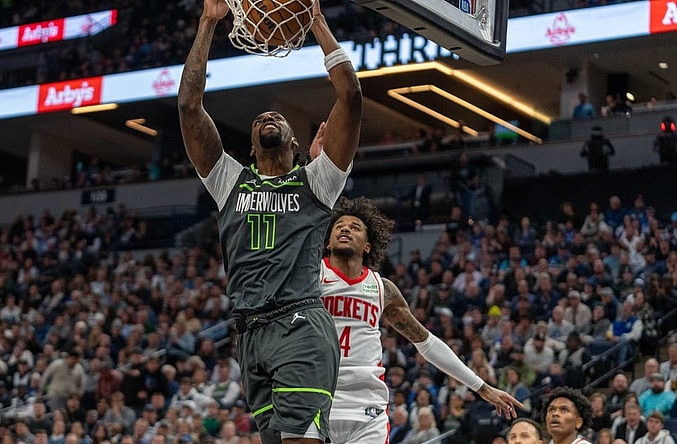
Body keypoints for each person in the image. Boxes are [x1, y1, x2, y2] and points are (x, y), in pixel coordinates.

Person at [177, 0, 362, 441]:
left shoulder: (317, 181)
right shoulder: (228, 181)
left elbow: (351, 96)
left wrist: (315, 23)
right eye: (259, 118)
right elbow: (188, 105)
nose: (266, 116)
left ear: (295, 141)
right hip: (250, 335)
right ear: (251, 145)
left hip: (299, 323)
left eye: (276, 117)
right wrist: (207, 23)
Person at [319, 196, 522, 444]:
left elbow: (427, 343)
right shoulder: (310, 277)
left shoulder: (383, 289)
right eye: (339, 225)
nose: (345, 228)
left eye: (355, 226)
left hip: (367, 406)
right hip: (317, 398)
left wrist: (481, 386)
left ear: (368, 246)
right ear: (327, 242)